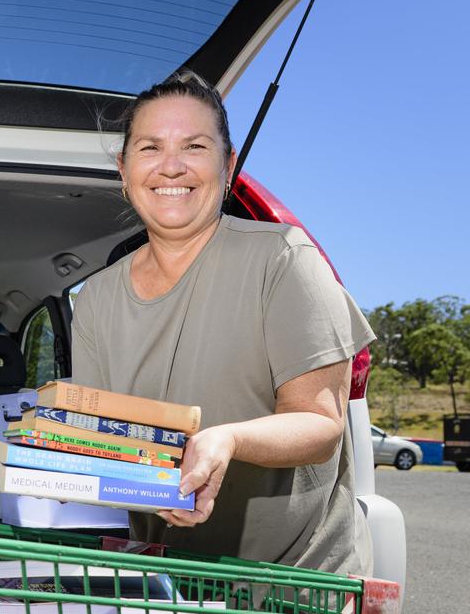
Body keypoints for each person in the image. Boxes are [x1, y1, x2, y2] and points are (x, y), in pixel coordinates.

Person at [72, 70, 375, 576]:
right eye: (149, 148)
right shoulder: (98, 297)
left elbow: (322, 425)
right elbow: (104, 438)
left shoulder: (283, 259)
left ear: (227, 165)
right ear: (123, 171)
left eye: (194, 146)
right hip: (170, 586)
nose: (171, 167)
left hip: (297, 590)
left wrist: (226, 440)